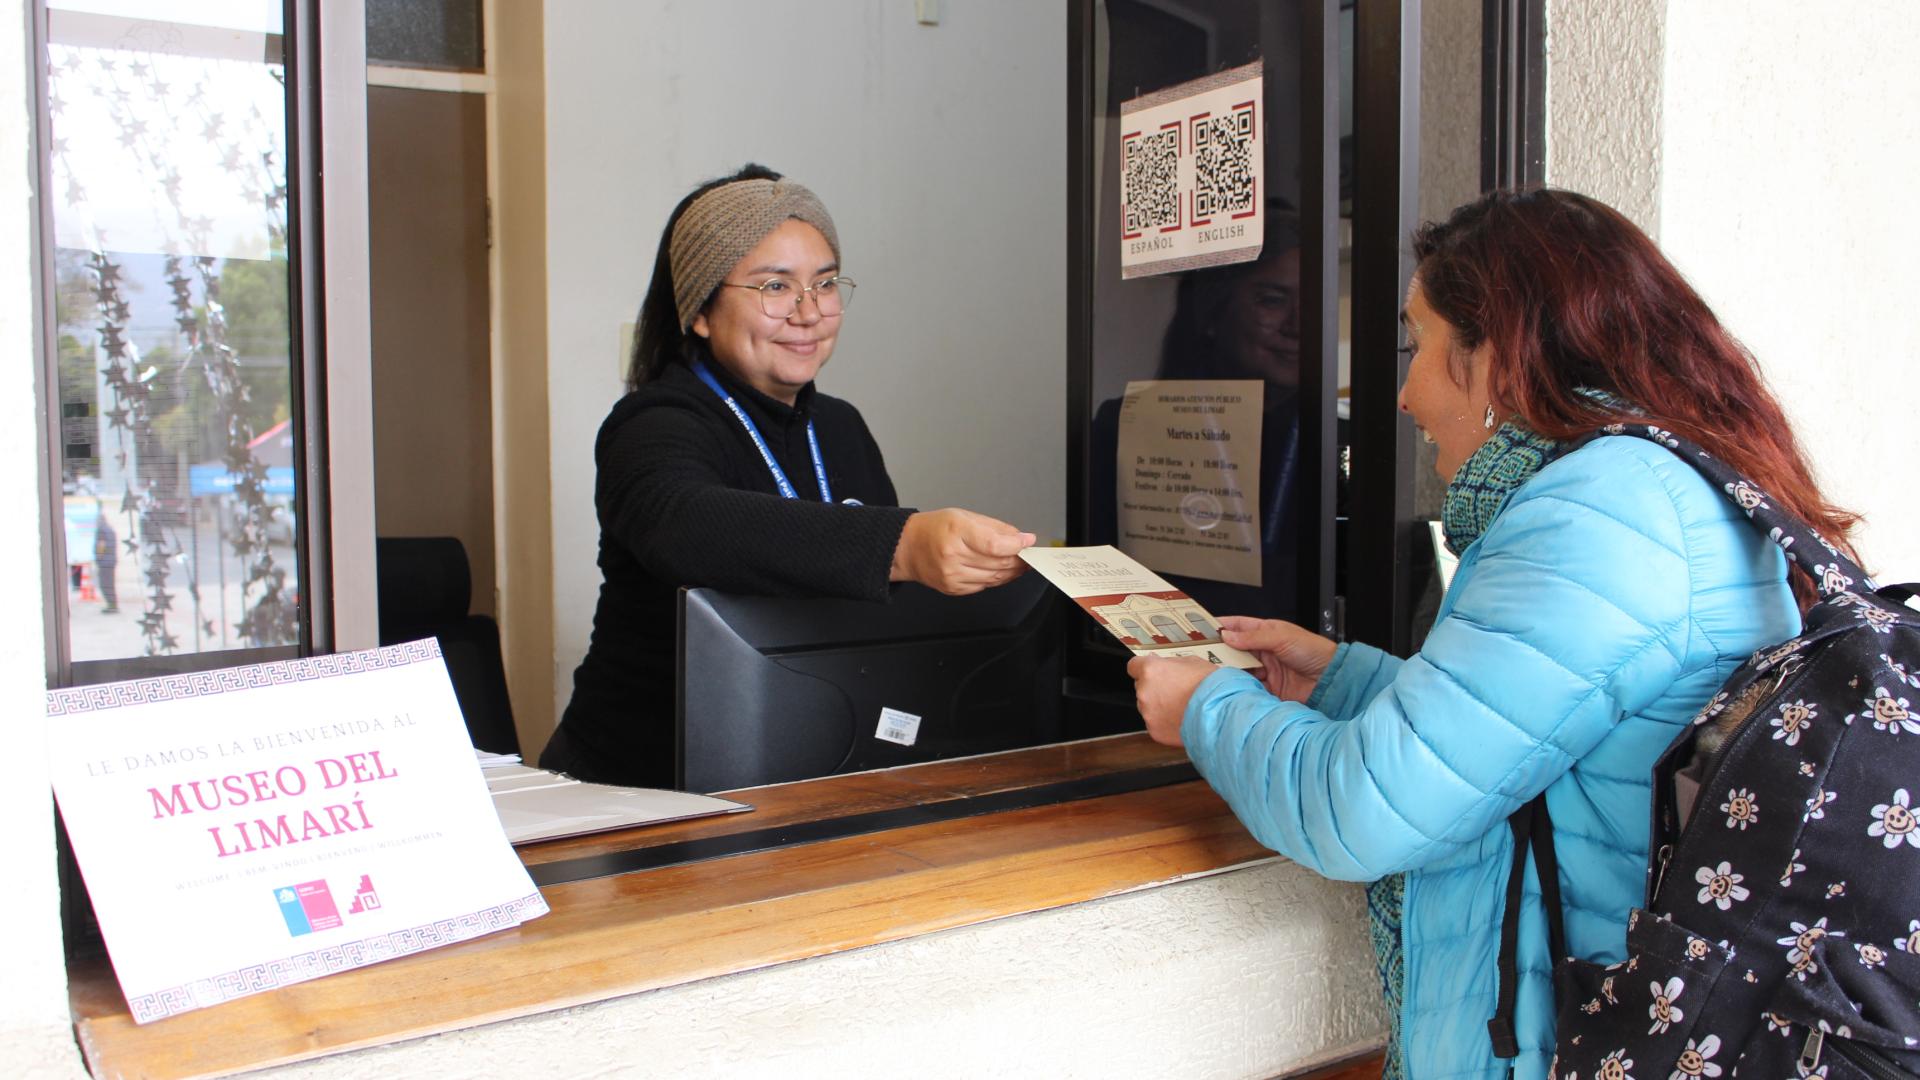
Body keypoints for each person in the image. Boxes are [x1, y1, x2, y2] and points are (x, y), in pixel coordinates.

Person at [1126, 188, 1860, 1079]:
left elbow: (1366, 811)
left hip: (1565, 1043)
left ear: (1500, 355)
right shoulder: (1659, 482)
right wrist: (1340, 679)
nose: (1403, 393)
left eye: (1418, 342)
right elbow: (1543, 731)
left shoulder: (1596, 513)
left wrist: (1206, 706)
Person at [542, 164, 1035, 789]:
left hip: (800, 774)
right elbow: (684, 524)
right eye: (775, 287)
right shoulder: (653, 422)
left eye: (825, 284)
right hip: (634, 788)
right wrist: (902, 544)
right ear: (698, 311)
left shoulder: (840, 427)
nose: (809, 313)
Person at [1089, 205, 1307, 619]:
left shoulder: (1339, 440)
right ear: (1212, 312)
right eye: (1272, 300)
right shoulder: (1129, 426)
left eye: (1313, 302)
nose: (1298, 325)